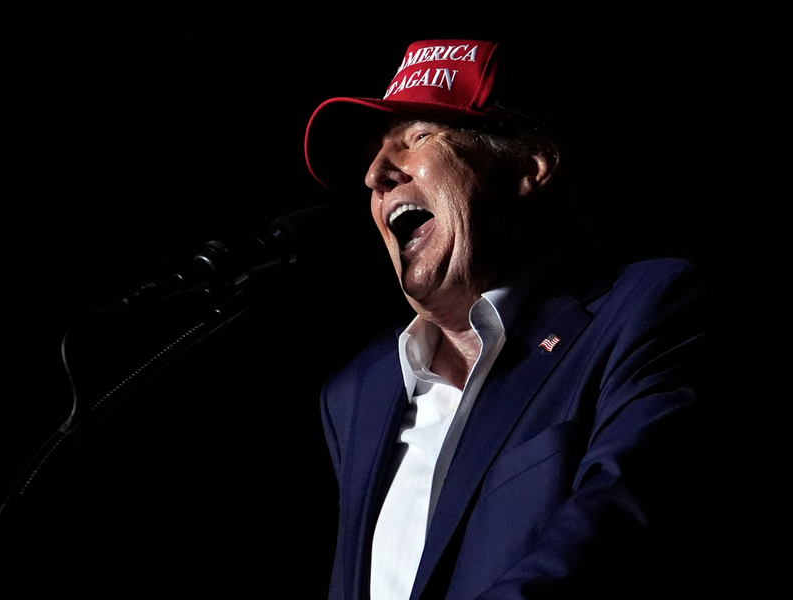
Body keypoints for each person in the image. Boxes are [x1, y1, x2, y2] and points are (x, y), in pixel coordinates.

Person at [304, 39, 713, 600]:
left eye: (419, 137)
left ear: (529, 166)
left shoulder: (644, 309)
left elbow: (616, 529)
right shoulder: (357, 393)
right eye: (374, 155)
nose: (376, 173)